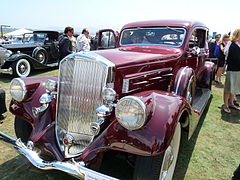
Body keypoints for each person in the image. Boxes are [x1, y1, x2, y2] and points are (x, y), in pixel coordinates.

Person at [222, 28, 240, 113]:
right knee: (228, 88)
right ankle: (226, 105)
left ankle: (231, 103)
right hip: (232, 68)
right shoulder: (231, 43)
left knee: (235, 88)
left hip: (238, 69)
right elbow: (225, 52)